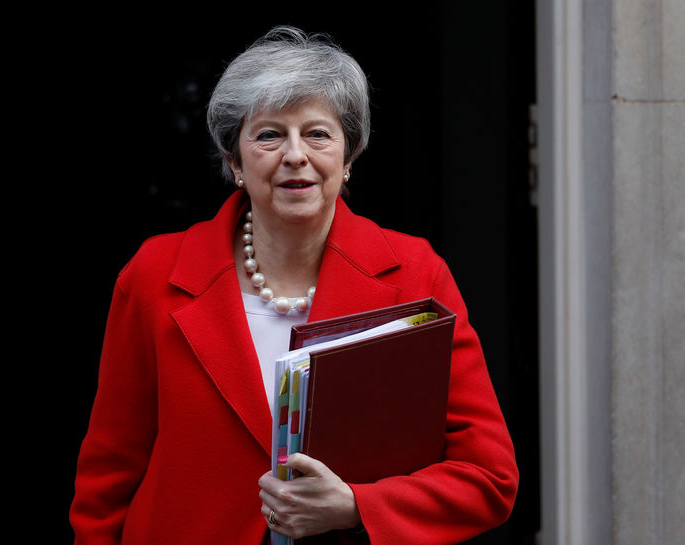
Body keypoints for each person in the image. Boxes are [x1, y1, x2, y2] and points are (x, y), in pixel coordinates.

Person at [70, 26, 518, 545]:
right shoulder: (154, 274)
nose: (295, 154)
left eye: (318, 134)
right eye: (268, 134)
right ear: (234, 160)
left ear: (348, 157)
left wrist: (357, 506)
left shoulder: (417, 273)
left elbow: (489, 477)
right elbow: (108, 475)